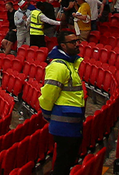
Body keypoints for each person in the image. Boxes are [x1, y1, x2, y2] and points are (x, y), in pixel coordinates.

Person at [40, 31, 88, 175]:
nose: (77, 44)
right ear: (63, 46)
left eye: (77, 41)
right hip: (63, 122)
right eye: (73, 42)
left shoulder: (71, 63)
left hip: (72, 121)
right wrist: (47, 113)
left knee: (68, 160)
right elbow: (48, 94)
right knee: (63, 161)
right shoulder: (58, 66)